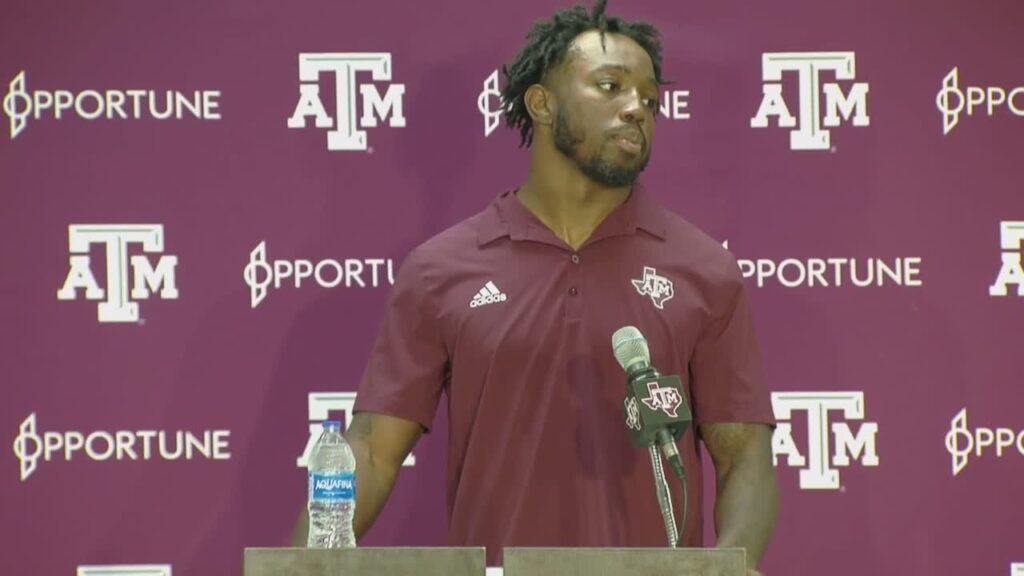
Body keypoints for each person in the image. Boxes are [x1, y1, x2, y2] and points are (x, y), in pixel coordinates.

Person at [295, 1, 779, 573]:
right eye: (610, 86)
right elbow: (373, 450)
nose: (636, 109)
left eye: (649, 99)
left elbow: (743, 453)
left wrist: (729, 563)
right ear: (542, 103)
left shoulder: (703, 269)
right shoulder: (442, 269)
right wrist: (304, 561)